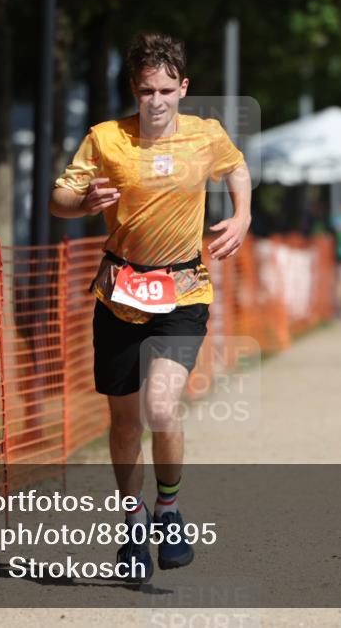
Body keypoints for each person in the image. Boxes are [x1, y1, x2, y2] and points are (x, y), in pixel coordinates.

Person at [48, 32, 251, 583]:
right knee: (121, 424)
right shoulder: (106, 139)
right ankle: (133, 523)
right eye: (145, 91)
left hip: (183, 292)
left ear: (183, 88)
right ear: (133, 91)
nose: (156, 101)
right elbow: (59, 197)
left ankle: (168, 509)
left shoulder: (205, 136)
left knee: (161, 408)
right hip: (118, 292)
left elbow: (236, 167)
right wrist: (83, 202)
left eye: (165, 89)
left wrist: (243, 215)